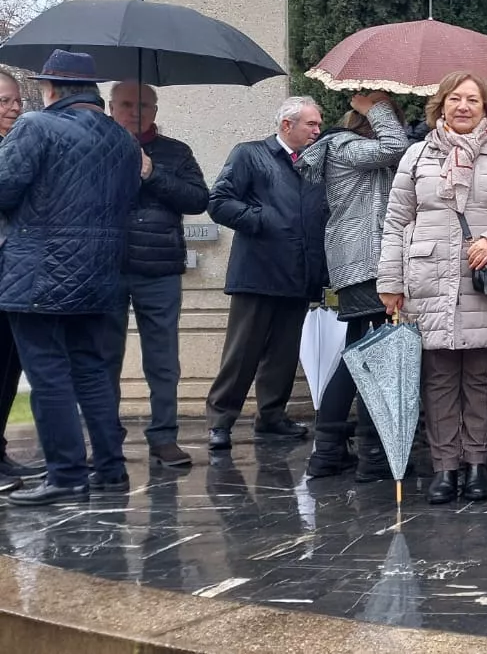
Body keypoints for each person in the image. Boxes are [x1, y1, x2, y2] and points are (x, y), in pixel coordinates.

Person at [378, 71, 487, 506]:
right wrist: (390, 281)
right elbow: (395, 223)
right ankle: (445, 467)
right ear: (441, 105)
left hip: (483, 280)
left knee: (484, 377)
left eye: (472, 99)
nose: (463, 106)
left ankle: (477, 464)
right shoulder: (417, 156)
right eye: (455, 99)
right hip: (428, 281)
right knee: (439, 379)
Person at [0, 50, 141, 505]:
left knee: (49, 376)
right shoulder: (122, 140)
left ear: (52, 88)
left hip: (37, 273)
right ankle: (110, 469)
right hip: (100, 274)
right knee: (92, 371)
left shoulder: (35, 126)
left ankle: (65, 474)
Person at [296, 91, 410, 479]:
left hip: (363, 261)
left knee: (359, 351)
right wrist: (375, 106)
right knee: (367, 357)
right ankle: (369, 454)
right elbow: (396, 146)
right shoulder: (345, 146)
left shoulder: (353, 151)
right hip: (366, 262)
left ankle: (330, 450)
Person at [205, 97, 329, 452]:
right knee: (243, 352)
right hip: (257, 273)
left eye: (319, 125)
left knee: (284, 353)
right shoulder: (250, 154)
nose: (317, 131)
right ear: (287, 126)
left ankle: (272, 417)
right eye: (312, 124)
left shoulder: (312, 164)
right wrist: (260, 220)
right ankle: (221, 420)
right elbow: (219, 202)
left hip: (298, 275)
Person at [107, 82, 209, 469]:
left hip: (159, 269)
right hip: (108, 266)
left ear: (155, 109)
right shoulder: (97, 146)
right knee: (105, 357)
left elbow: (199, 199)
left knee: (163, 358)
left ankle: (164, 436)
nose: (135, 111)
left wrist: (152, 174)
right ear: (111, 107)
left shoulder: (176, 152)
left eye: (144, 105)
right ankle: (107, 435)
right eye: (127, 104)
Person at [0, 69, 45, 490]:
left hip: (14, 280)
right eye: (3, 101)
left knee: (9, 368)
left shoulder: (17, 149)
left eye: (16, 101)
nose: (14, 108)